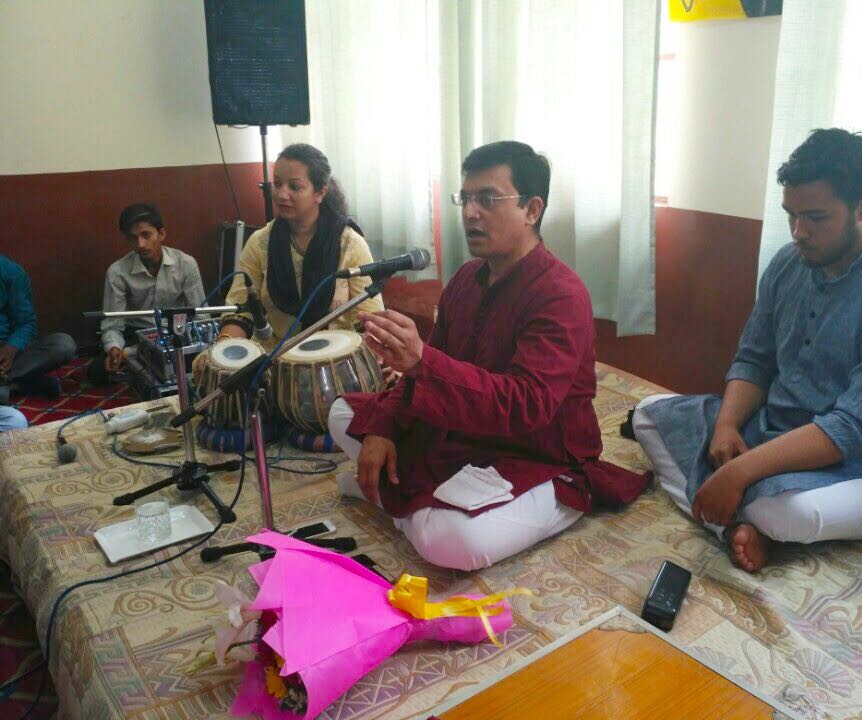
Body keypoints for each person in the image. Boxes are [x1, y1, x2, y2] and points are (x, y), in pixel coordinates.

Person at [632, 128, 862, 573]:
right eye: (791, 215)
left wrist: (739, 472)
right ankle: (738, 526)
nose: (799, 232)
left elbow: (854, 428)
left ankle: (750, 518)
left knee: (789, 512)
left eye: (816, 218)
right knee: (648, 415)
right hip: (772, 432)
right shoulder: (789, 262)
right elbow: (755, 360)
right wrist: (727, 426)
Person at [328, 141, 648, 572]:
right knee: (342, 414)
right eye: (465, 198)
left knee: (452, 542)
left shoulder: (561, 295)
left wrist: (422, 363)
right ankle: (410, 503)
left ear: (532, 209)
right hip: (463, 432)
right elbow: (425, 374)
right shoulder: (466, 279)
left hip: (537, 453)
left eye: (488, 199)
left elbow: (526, 405)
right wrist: (384, 428)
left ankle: (400, 503)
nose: (470, 213)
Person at [216, 143, 383, 350]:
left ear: (320, 193)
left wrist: (375, 346)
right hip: (275, 358)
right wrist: (223, 348)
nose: (281, 194)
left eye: (294, 187)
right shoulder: (259, 243)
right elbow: (240, 311)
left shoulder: (349, 243)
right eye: (278, 184)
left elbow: (369, 316)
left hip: (336, 358)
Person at [88, 203, 205, 385]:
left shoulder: (186, 264)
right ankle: (136, 357)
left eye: (146, 235)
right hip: (137, 335)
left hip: (176, 333)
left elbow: (201, 315)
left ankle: (139, 361)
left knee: (196, 366)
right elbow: (113, 324)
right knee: (97, 371)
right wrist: (114, 347)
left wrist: (201, 346)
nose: (140, 244)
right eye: (133, 238)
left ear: (161, 234)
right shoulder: (117, 272)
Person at [0, 254, 76, 404]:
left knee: (63, 344)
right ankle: (22, 385)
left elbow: (26, 323)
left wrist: (11, 348)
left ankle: (8, 382)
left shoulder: (11, 272)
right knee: (1, 396)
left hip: (7, 351)